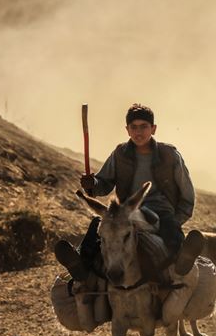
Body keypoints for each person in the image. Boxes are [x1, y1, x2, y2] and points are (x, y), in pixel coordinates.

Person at [54, 103, 204, 280]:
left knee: (172, 233)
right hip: (124, 212)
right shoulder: (120, 154)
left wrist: (177, 219)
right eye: (134, 127)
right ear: (127, 130)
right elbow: (103, 183)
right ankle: (80, 267)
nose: (138, 132)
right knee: (97, 225)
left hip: (160, 212)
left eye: (144, 127)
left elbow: (187, 193)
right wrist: (92, 183)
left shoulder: (170, 155)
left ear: (153, 129)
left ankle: (182, 263)